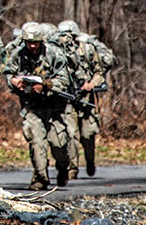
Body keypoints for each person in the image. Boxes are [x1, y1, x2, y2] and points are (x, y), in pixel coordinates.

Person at [1, 22, 71, 190]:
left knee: (58, 144)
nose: (32, 46)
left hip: (55, 107)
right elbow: (8, 72)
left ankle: (63, 167)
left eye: (35, 42)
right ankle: (40, 177)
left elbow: (64, 80)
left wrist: (45, 85)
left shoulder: (54, 54)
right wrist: (13, 81)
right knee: (36, 142)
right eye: (28, 42)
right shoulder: (19, 55)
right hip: (32, 106)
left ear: (41, 41)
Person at [57, 20, 108, 177]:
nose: (66, 39)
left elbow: (99, 72)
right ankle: (72, 168)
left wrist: (91, 84)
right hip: (68, 99)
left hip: (86, 98)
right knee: (70, 134)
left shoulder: (88, 50)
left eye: (69, 36)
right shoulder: (58, 52)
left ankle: (90, 161)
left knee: (87, 135)